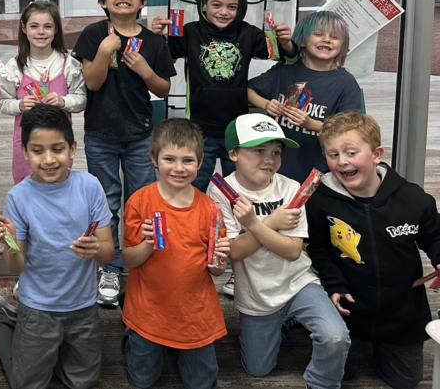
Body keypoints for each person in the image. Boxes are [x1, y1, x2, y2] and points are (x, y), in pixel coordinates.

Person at [208, 114, 349, 389]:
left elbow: (293, 252)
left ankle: (322, 383)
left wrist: (252, 225)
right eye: (258, 150)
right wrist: (270, 222)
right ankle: (283, 323)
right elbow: (234, 252)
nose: (269, 159)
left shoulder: (290, 187)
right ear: (234, 153)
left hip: (298, 283)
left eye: (276, 152)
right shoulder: (221, 190)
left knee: (336, 337)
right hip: (255, 294)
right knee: (258, 370)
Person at [306, 112, 440, 389]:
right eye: (333, 155)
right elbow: (318, 249)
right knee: (345, 375)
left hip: (403, 313)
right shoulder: (319, 202)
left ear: (377, 154)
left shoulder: (413, 198)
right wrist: (334, 284)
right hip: (351, 310)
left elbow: (436, 236)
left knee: (407, 381)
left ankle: (383, 347)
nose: (342, 161)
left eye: (351, 152)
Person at [0, 105, 114, 389]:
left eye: (57, 149)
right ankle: (2, 324)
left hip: (82, 306)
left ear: (73, 149)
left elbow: (110, 253)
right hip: (38, 308)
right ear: (24, 151)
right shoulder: (19, 196)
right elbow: (15, 267)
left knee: (84, 383)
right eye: (37, 150)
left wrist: (96, 249)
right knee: (27, 384)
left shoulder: (90, 186)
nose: (48, 160)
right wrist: (9, 242)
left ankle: (49, 350)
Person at [73, 0, 175, 306]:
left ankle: (141, 263)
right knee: (108, 202)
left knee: (141, 202)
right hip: (100, 133)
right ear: (103, 2)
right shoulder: (92, 34)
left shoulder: (155, 42)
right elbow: (93, 83)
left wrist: (145, 70)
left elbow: (164, 87)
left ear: (142, 2)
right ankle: (112, 266)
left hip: (140, 134)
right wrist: (104, 51)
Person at [152, 0, 297, 192]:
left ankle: (238, 225)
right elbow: (163, 60)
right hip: (200, 128)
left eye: (232, 7)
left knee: (238, 188)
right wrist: (157, 38)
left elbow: (286, 57)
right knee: (195, 186)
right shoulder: (190, 32)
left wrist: (286, 43)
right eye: (216, 5)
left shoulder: (248, 34)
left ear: (242, 9)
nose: (223, 12)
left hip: (238, 130)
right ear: (204, 5)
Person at [121, 118, 229, 389]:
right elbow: (129, 260)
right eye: (169, 159)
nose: (179, 169)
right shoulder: (140, 202)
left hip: (195, 313)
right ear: (154, 158)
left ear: (201, 162)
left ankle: (169, 344)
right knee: (142, 381)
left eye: (188, 161)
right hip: (148, 310)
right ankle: (132, 334)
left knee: (202, 384)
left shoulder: (211, 210)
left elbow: (216, 271)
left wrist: (220, 257)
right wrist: (147, 243)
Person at [248, 10, 363, 182]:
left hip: (318, 176)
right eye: (318, 34)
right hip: (274, 172)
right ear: (302, 39)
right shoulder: (283, 70)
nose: (326, 40)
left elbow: (351, 132)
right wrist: (265, 104)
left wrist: (312, 124)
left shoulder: (346, 84)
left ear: (344, 46)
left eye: (335, 37)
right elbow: (246, 90)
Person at [0, 1, 86, 185]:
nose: (41, 32)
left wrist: (63, 101)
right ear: (24, 28)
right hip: (28, 142)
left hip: (59, 141)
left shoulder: (68, 64)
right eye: (34, 26)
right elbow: (3, 102)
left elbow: (81, 99)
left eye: (47, 27)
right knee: (27, 186)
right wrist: (19, 105)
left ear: (56, 30)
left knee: (60, 185)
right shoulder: (14, 66)